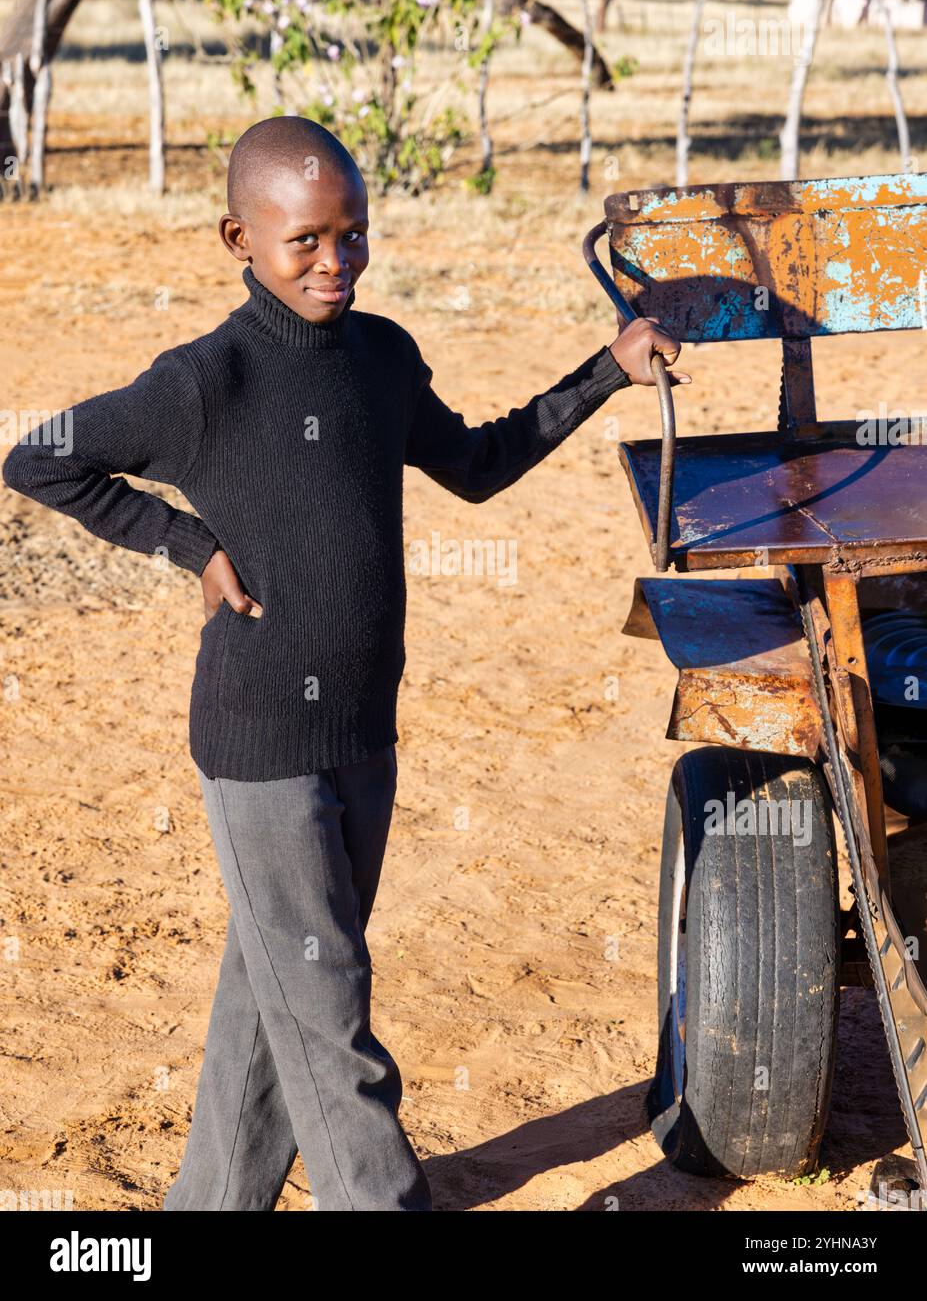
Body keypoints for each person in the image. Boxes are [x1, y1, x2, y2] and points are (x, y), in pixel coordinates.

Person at [1, 116, 689, 1211]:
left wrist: (602, 372)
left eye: (356, 235)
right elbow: (37, 457)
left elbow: (475, 462)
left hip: (364, 731)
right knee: (332, 1023)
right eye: (308, 241)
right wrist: (186, 544)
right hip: (261, 739)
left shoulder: (381, 356)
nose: (338, 262)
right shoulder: (204, 382)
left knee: (273, 997)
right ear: (240, 236)